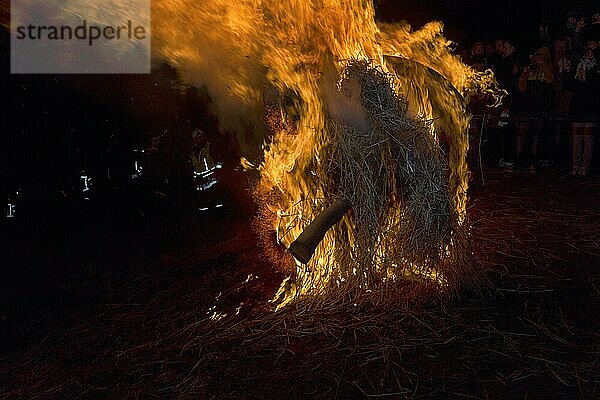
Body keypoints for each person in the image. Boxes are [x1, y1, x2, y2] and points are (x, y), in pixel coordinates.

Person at [516, 47, 554, 172]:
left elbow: (550, 80)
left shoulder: (549, 69)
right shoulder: (529, 70)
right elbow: (522, 89)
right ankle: (519, 160)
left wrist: (544, 67)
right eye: (538, 57)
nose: (539, 59)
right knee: (522, 132)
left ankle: (534, 161)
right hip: (527, 106)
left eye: (542, 57)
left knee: (537, 134)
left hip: (541, 107)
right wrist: (523, 76)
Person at [568, 42, 599, 176]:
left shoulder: (597, 67)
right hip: (578, 104)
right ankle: (575, 165)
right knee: (576, 136)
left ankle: (585, 167)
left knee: (588, 136)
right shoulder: (578, 65)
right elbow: (569, 85)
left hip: (591, 104)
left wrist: (589, 75)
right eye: (588, 51)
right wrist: (577, 75)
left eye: (592, 51)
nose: (589, 54)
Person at [552, 37, 574, 167]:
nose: (561, 49)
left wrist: (568, 70)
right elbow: (556, 87)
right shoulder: (553, 62)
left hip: (569, 103)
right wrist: (560, 72)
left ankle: (569, 160)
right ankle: (557, 159)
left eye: (564, 46)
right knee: (557, 131)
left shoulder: (570, 60)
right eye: (559, 46)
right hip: (556, 103)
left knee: (571, 131)